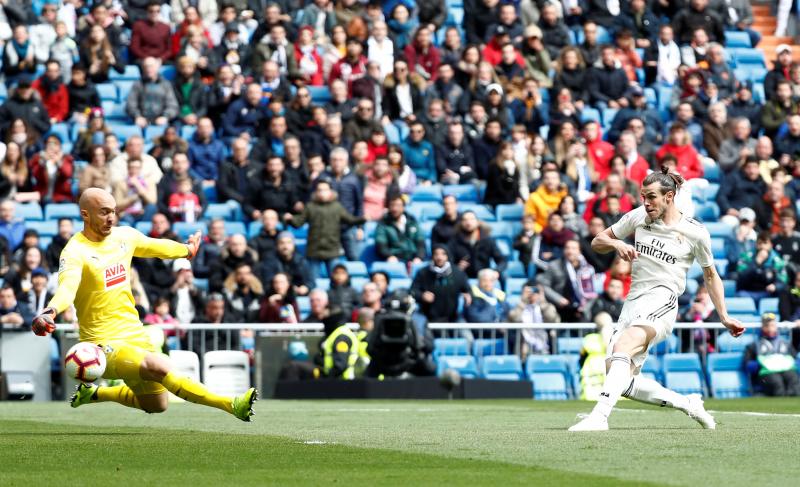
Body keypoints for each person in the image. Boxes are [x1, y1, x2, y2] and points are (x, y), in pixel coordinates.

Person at [30, 188, 256, 420]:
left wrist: (186, 250)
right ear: (85, 215)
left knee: (157, 404)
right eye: (104, 212)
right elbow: (67, 286)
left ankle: (95, 394)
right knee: (159, 365)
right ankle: (232, 404)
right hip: (103, 344)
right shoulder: (75, 251)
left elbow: (156, 246)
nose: (111, 218)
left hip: (135, 334)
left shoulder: (124, 237)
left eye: (114, 212)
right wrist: (50, 311)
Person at [569, 168, 744, 432]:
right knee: (621, 380)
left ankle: (599, 416)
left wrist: (724, 316)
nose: (646, 202)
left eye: (651, 197)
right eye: (643, 196)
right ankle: (688, 403)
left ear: (669, 197)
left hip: (663, 300)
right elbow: (598, 240)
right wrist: (617, 245)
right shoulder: (639, 216)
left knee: (624, 347)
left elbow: (711, 275)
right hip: (633, 301)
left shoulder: (695, 232)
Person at [285, 180, 365, 279]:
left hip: (332, 250)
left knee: (336, 279)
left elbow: (350, 220)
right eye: (319, 190)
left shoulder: (337, 207)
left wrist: (363, 219)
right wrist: (290, 219)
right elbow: (298, 222)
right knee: (313, 280)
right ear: (316, 193)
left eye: (325, 190)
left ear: (331, 192)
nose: (322, 193)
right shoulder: (310, 207)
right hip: (314, 250)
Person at [410, 245, 471, 323]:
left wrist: (468, 295)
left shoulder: (458, 273)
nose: (439, 257)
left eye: (443, 254)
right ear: (432, 256)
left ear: (448, 256)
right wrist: (422, 295)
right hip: (428, 318)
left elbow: (467, 290)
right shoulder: (423, 272)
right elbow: (413, 290)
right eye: (436, 254)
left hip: (453, 318)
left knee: (466, 334)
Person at [744, 313, 799, 397]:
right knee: (777, 382)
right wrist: (762, 364)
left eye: (772, 325)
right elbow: (747, 364)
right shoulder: (754, 345)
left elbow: (795, 359)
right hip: (767, 374)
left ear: (776, 326)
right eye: (767, 325)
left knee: (793, 379)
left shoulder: (785, 343)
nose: (770, 328)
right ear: (762, 327)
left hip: (785, 370)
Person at [374, 194, 425, 263]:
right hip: (394, 259)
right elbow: (381, 245)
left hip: (413, 258)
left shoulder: (412, 222)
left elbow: (420, 242)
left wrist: (419, 257)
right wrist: (389, 256)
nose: (395, 208)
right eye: (392, 205)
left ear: (403, 207)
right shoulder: (383, 224)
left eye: (398, 205)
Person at [317, 307, 359, 379]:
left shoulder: (341, 337)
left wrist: (327, 378)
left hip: (343, 382)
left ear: (332, 318)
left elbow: (340, 365)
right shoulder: (335, 334)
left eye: (325, 317)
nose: (323, 320)